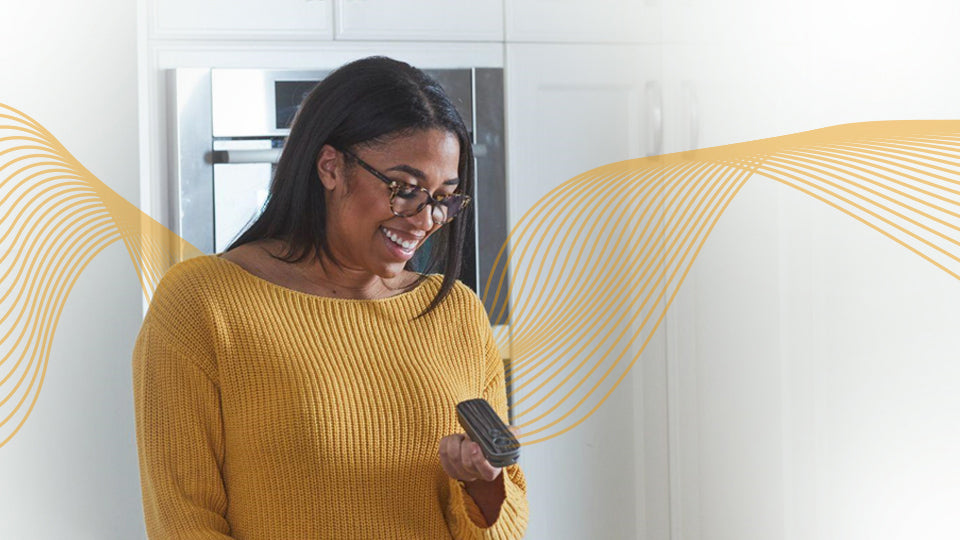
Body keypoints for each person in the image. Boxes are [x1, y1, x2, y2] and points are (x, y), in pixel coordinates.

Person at [131, 56, 529, 539]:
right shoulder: (203, 304)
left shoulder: (457, 313)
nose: (426, 220)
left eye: (443, 197)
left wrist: (481, 488)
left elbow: (505, 525)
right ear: (330, 167)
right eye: (404, 189)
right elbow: (184, 523)